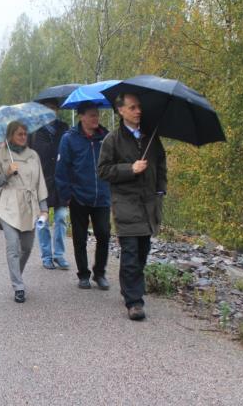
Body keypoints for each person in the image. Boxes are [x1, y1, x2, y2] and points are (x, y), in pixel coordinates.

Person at [97, 93, 167, 321]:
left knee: (143, 251)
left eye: (139, 107)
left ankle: (129, 286)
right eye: (133, 107)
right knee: (130, 252)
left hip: (148, 205)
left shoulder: (151, 137)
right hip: (125, 202)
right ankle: (134, 302)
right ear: (121, 111)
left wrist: (161, 190)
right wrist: (130, 168)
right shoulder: (112, 140)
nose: (138, 111)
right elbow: (104, 171)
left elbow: (161, 165)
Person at [0, 121, 48, 303]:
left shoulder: (33, 155)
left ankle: (16, 273)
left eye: (25, 134)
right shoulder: (0, 155)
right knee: (13, 245)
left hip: (28, 205)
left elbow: (40, 183)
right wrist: (6, 173)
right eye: (19, 134)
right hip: (8, 204)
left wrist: (43, 208)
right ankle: (18, 286)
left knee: (26, 247)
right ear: (10, 135)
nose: (23, 137)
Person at [55, 101, 111, 290]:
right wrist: (67, 196)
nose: (96, 118)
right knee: (80, 237)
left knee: (104, 234)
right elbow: (62, 170)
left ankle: (100, 273)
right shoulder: (69, 139)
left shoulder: (106, 137)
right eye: (92, 115)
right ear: (81, 117)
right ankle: (83, 274)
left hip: (102, 196)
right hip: (78, 197)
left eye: (97, 114)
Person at [29, 98, 71, 270]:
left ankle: (59, 254)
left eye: (54, 108)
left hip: (61, 181)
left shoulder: (65, 129)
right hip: (41, 183)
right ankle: (46, 255)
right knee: (43, 221)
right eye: (47, 109)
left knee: (61, 218)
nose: (51, 111)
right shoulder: (34, 132)